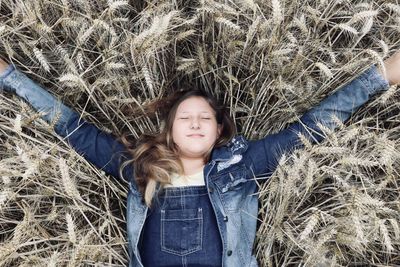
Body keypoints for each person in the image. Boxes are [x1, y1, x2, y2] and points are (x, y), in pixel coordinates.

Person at [0, 52, 399, 267]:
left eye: (204, 118)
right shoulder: (138, 165)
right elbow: (71, 127)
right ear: (169, 129)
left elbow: (313, 126)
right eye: (184, 118)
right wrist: (9, 77)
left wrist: (381, 76)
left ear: (220, 130)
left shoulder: (242, 165)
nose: (194, 124)